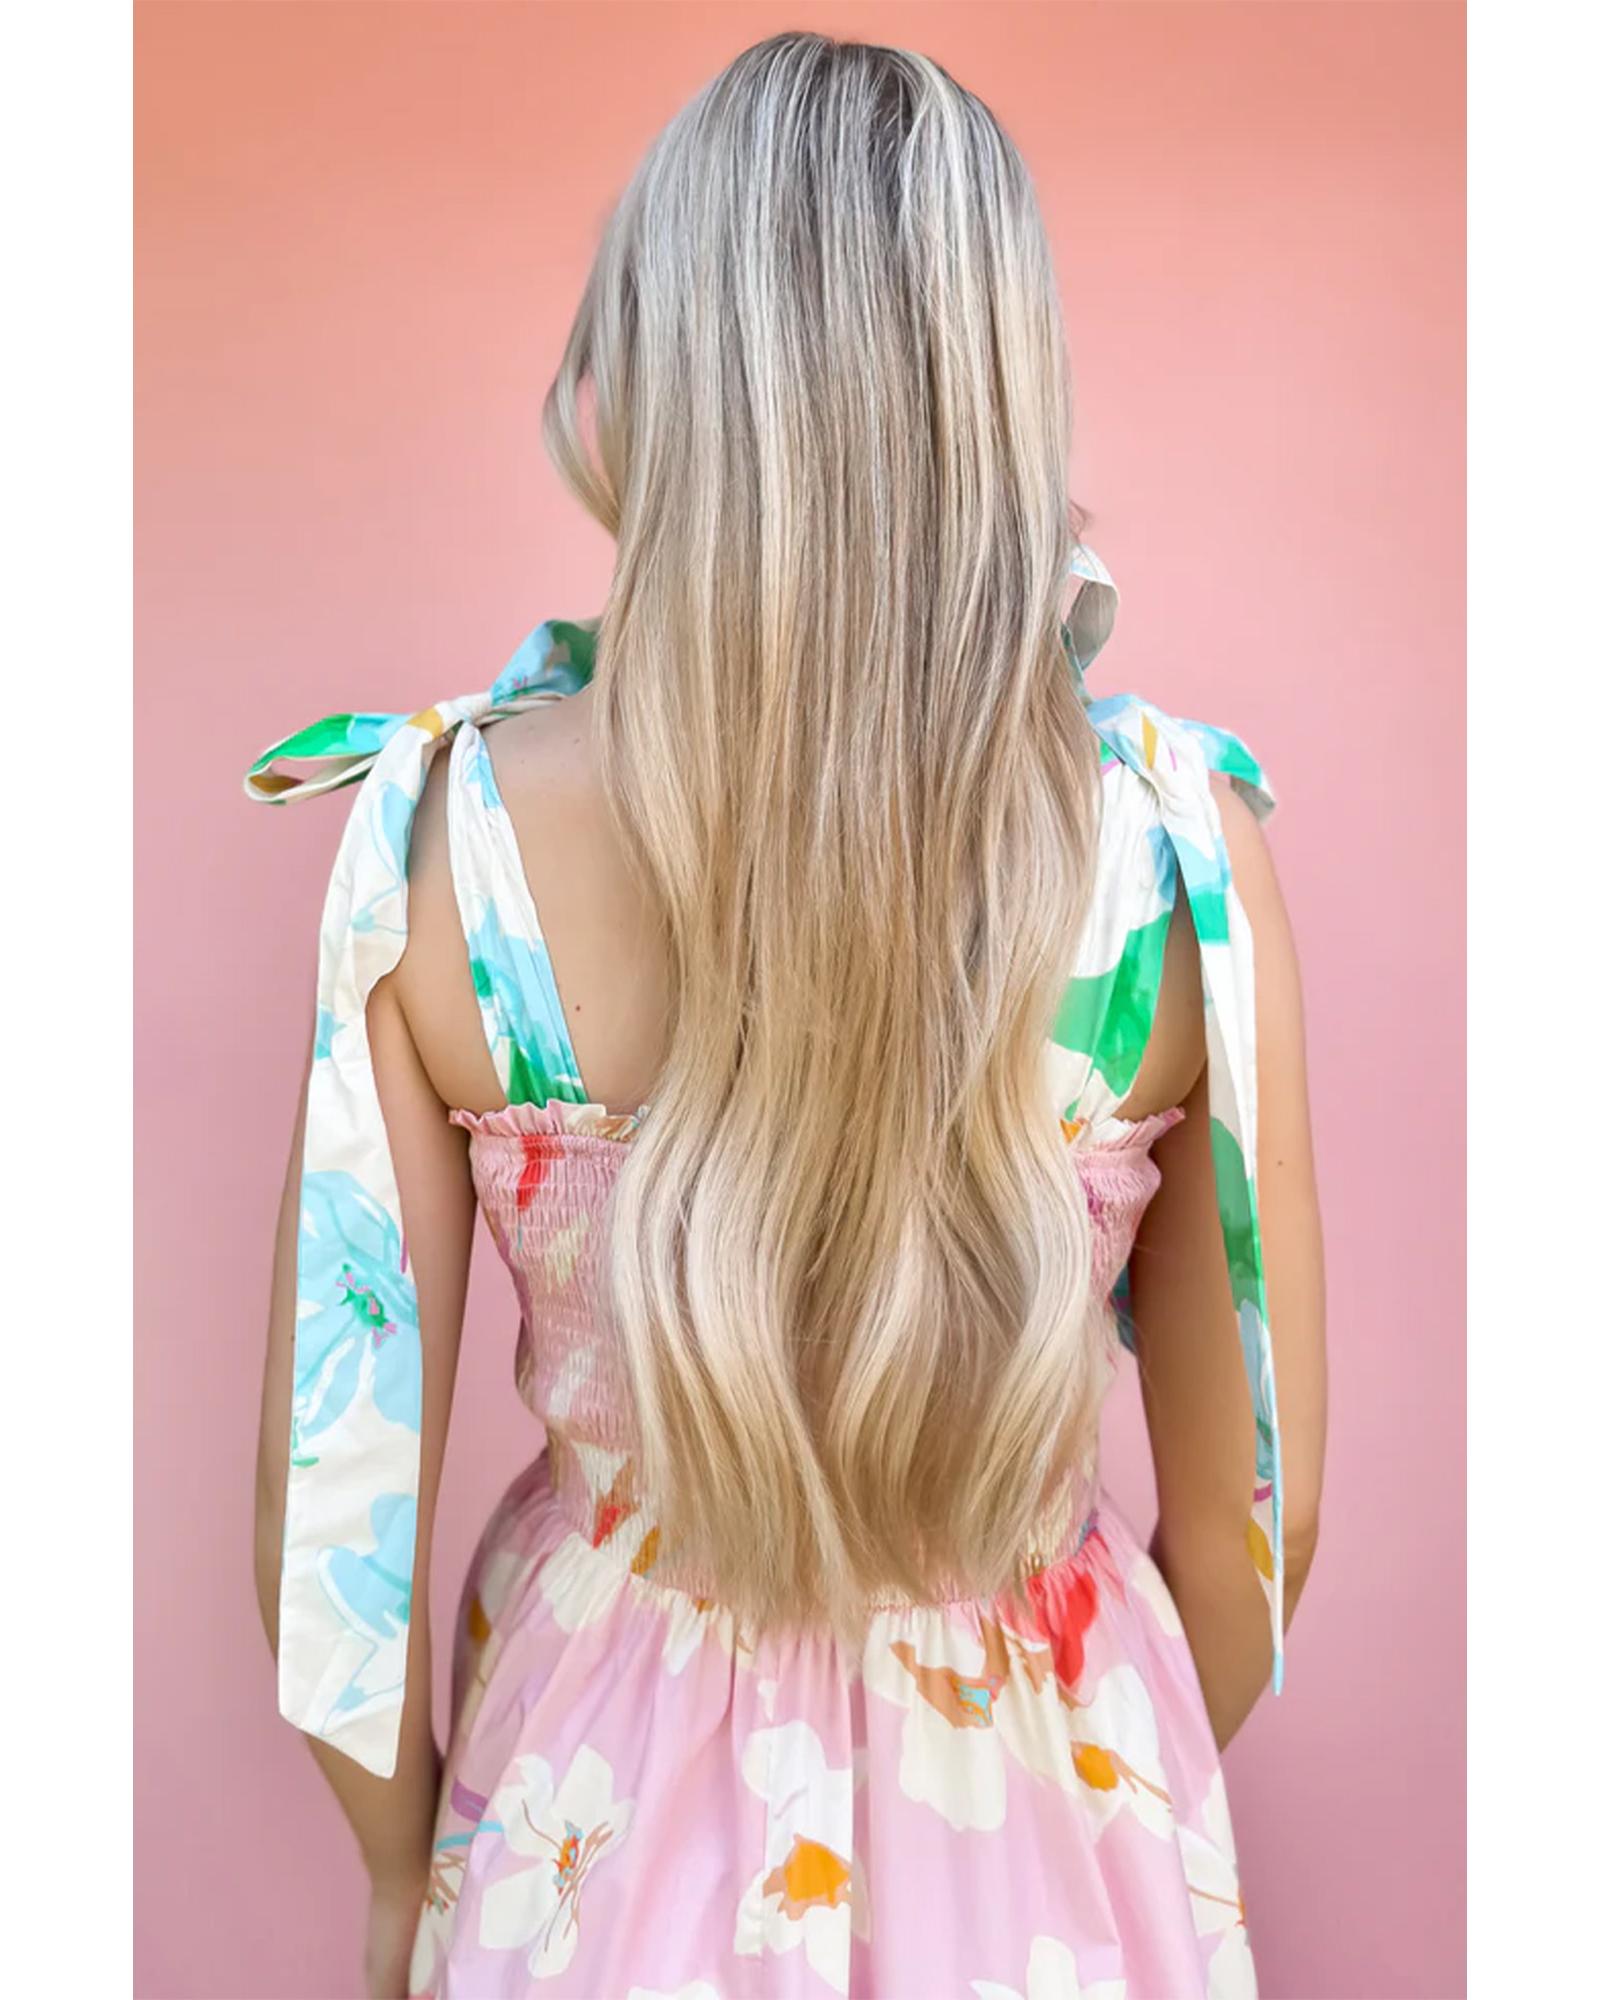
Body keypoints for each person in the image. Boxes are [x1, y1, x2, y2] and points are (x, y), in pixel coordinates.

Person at [249, 31, 1325, 2000]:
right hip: (1048, 1799)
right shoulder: (1177, 852)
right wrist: (1098, 1773)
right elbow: (1260, 1515)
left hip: (584, 1800)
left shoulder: (445, 843)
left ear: (662, 368)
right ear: (995, 375)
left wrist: (406, 1879)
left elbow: (335, 1528)